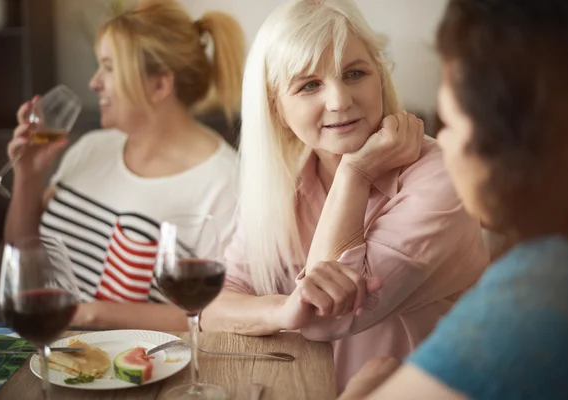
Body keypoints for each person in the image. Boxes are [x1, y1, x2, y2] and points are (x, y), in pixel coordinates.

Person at [201, 0, 488, 391]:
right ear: (276, 108)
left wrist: (355, 172)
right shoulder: (282, 183)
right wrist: (285, 311)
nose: (339, 100)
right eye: (309, 85)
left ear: (379, 78)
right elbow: (214, 304)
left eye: (355, 73)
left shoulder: (441, 177)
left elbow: (326, 319)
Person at [339, 0, 568, 399]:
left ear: (506, 138)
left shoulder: (542, 288)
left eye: (450, 122)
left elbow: (330, 318)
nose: (443, 141)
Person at [3, 0, 245, 331]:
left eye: (109, 67)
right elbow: (21, 254)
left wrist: (87, 313)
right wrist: (27, 176)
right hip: (47, 351)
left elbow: (216, 311)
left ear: (159, 84)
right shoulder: (91, 148)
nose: (94, 82)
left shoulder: (224, 182)